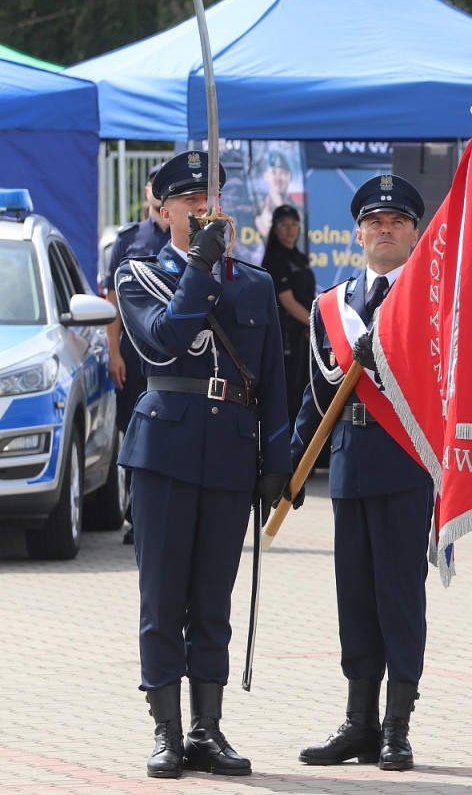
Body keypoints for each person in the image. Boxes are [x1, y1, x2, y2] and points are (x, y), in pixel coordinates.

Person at [114, 151, 291, 778]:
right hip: (165, 450)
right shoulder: (139, 274)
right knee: (164, 597)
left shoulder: (256, 283)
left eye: (209, 198)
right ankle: (165, 731)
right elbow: (163, 341)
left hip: (232, 452)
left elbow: (274, 381)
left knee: (213, 600)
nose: (201, 208)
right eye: (188, 200)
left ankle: (207, 729)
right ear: (162, 211)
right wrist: (199, 266)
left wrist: (278, 458)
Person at [291, 175, 434, 772]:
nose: (385, 230)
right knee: (355, 599)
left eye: (397, 221)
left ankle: (397, 726)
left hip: (406, 464)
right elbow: (318, 392)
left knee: (399, 599)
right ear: (358, 234)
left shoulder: (432, 301)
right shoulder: (333, 305)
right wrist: (291, 464)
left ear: (415, 234)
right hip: (350, 466)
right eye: (375, 222)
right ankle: (359, 723)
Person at [103, 162, 170, 545]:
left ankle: (167, 517)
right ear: (147, 191)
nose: (159, 190)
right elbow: (111, 302)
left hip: (173, 354)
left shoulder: (189, 237)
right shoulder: (128, 240)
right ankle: (136, 517)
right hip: (133, 356)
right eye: (154, 184)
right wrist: (113, 351)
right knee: (134, 435)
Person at [261, 204, 315, 423]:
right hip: (286, 337)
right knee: (289, 394)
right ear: (275, 229)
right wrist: (315, 325)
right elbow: (289, 303)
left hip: (304, 336)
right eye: (284, 225)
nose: (290, 229)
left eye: (294, 224)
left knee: (304, 391)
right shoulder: (275, 260)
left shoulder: (300, 258)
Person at [254, 150, 297, 236]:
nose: (278, 178)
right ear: (266, 175)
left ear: (291, 177)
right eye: (274, 172)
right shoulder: (256, 208)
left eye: (283, 173)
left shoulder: (299, 210)